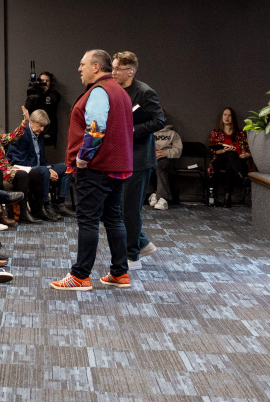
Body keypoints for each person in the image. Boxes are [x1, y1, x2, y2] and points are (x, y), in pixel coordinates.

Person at [51, 49, 134, 291]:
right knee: (114, 218)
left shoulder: (99, 91)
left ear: (96, 67)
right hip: (117, 167)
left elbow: (96, 128)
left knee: (88, 221)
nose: (79, 69)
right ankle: (119, 273)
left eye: (83, 64)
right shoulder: (120, 91)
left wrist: (82, 158)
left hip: (96, 168)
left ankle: (80, 276)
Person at [111, 52, 163, 268]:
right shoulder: (116, 90)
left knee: (130, 209)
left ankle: (132, 256)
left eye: (117, 69)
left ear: (130, 71)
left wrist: (132, 130)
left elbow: (159, 121)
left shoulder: (144, 92)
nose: (113, 72)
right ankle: (142, 243)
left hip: (139, 159)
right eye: (113, 68)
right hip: (121, 157)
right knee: (118, 207)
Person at [5, 109, 72, 218]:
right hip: (23, 168)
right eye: (40, 125)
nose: (42, 129)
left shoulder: (39, 134)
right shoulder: (20, 135)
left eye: (44, 126)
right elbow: (20, 161)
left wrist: (49, 168)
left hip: (40, 167)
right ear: (31, 122)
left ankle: (60, 203)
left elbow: (42, 158)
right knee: (44, 171)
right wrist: (46, 169)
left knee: (66, 167)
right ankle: (45, 205)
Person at [208, 108, 251, 207]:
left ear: (233, 118)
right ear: (222, 117)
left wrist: (247, 154)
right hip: (219, 160)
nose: (227, 117)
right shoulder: (216, 132)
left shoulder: (241, 133)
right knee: (230, 153)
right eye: (225, 115)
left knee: (229, 165)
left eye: (229, 115)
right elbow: (212, 149)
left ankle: (227, 197)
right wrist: (224, 150)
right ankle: (241, 176)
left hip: (237, 161)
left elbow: (249, 150)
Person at [149, 118, 183, 208]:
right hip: (151, 158)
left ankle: (163, 199)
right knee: (140, 166)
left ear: (165, 118)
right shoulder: (149, 132)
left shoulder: (173, 134)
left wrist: (165, 153)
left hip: (167, 159)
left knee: (161, 166)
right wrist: (152, 152)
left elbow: (178, 150)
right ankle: (153, 194)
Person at [23, 71, 62, 148]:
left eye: (47, 81)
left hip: (49, 131)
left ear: (51, 83)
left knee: (49, 152)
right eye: (42, 81)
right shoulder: (34, 93)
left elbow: (56, 100)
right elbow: (27, 107)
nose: (44, 82)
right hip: (35, 130)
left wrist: (46, 90)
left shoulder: (54, 94)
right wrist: (36, 89)